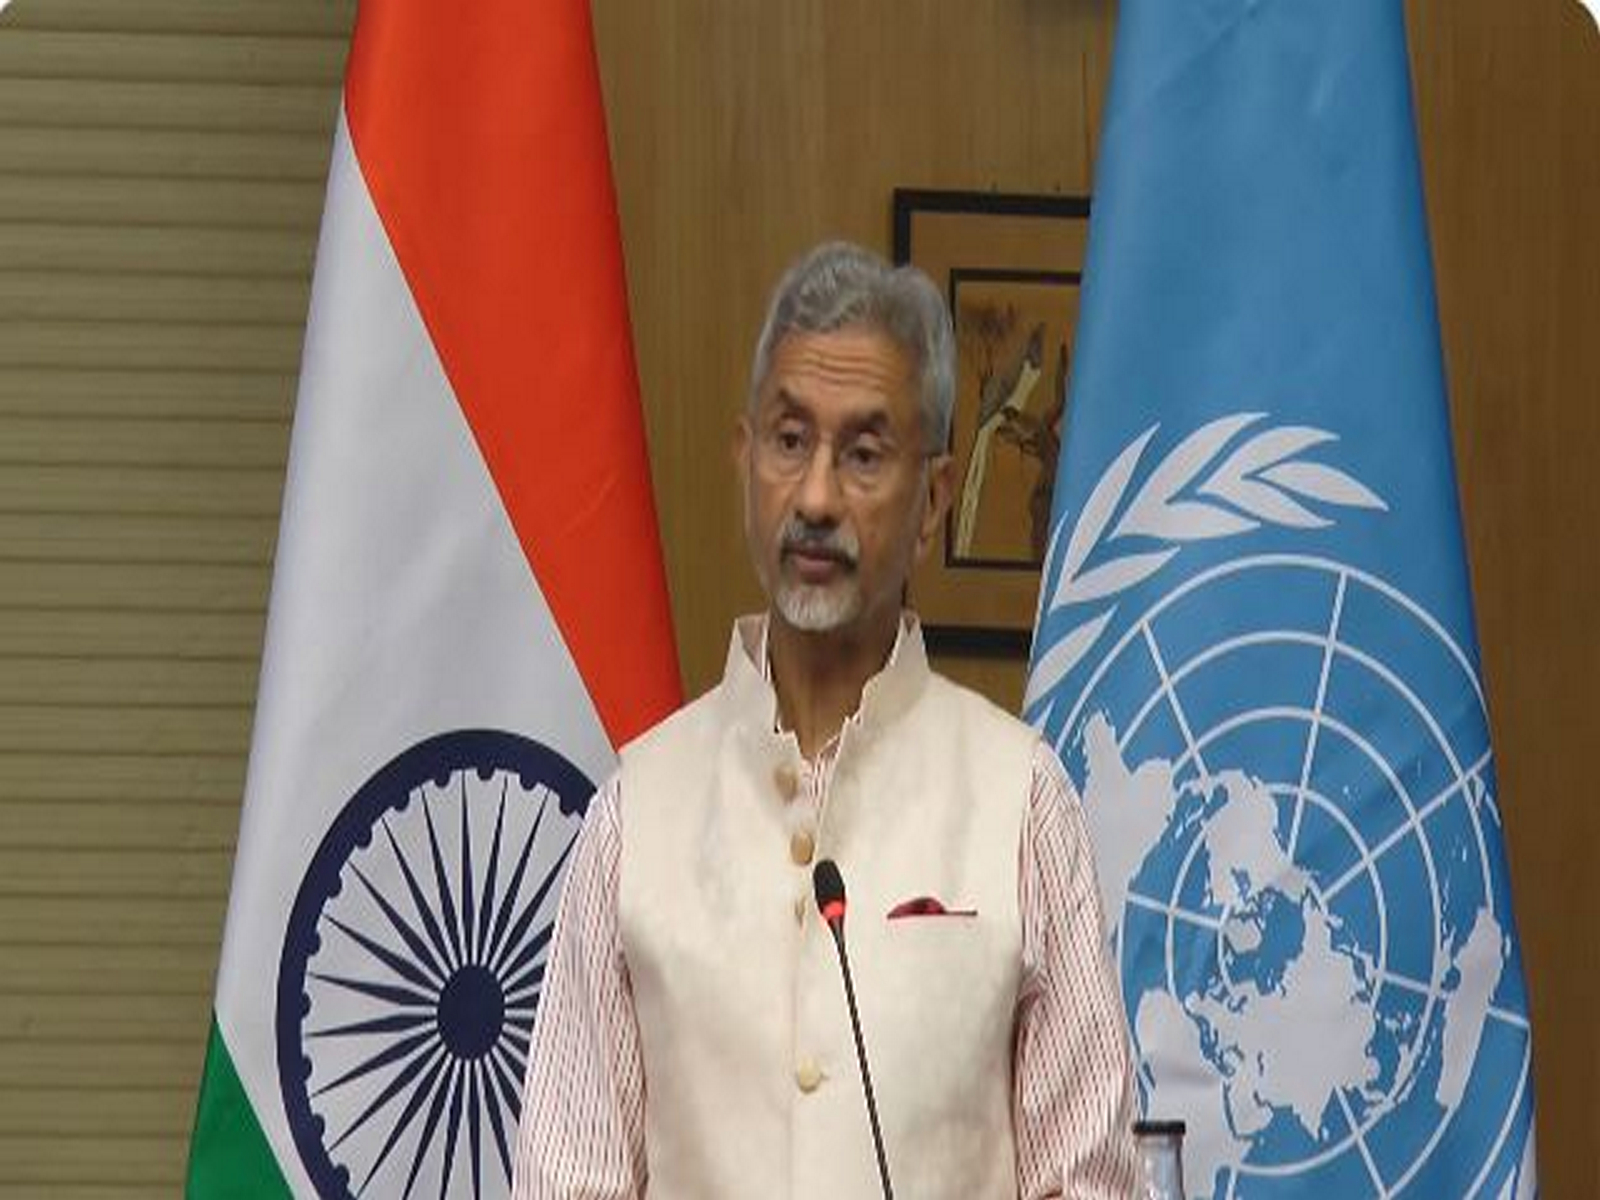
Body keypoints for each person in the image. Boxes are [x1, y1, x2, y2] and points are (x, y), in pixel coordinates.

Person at [512, 241, 1138, 1199]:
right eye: (790, 441)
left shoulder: (1021, 803)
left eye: (863, 455)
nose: (814, 498)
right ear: (745, 458)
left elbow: (1092, 1184)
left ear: (931, 501)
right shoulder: (636, 813)